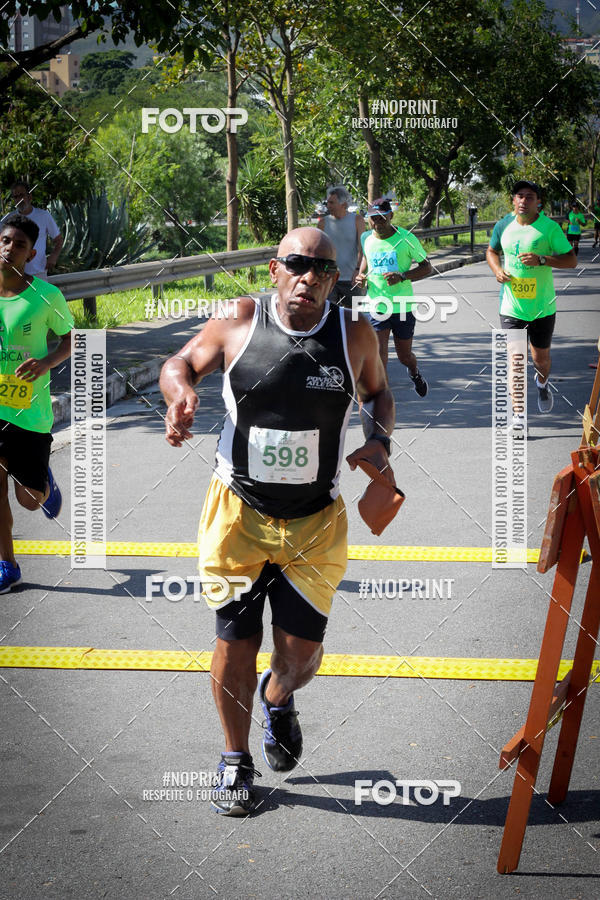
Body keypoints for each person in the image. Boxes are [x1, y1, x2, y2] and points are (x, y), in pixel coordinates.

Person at [160, 226, 395, 816]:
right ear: (274, 269)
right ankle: (236, 760)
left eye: (322, 269)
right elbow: (179, 362)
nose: (308, 277)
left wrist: (380, 442)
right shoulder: (238, 322)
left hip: (315, 523)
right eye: (296, 264)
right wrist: (178, 393)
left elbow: (380, 394)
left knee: (300, 659)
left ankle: (280, 697)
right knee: (234, 643)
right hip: (238, 512)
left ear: (334, 280)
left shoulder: (355, 335)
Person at [0, 214, 73, 593]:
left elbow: (70, 339)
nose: (9, 248)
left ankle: (44, 482)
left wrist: (45, 363)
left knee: (28, 500)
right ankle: (7, 565)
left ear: (30, 254)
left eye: (19, 244)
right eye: (5, 240)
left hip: (29, 412)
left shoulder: (46, 296)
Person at [486, 181, 576, 418]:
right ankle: (518, 416)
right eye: (519, 196)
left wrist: (543, 260)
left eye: (529, 197)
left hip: (542, 308)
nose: (523, 201)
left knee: (541, 360)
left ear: (538, 202)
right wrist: (497, 270)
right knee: (515, 361)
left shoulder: (549, 228)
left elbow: (571, 260)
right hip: (511, 307)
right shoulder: (504, 224)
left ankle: (542, 383)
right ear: (513, 200)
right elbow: (491, 251)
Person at [355, 197, 432, 396]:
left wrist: (403, 276)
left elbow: (427, 267)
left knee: (404, 356)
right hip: (376, 305)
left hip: (402, 306)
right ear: (368, 219)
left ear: (391, 215)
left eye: (382, 217)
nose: (378, 222)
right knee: (379, 357)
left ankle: (414, 373)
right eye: (373, 218)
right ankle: (383, 400)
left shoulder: (406, 239)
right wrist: (361, 275)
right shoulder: (366, 238)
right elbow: (365, 257)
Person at [2, 182, 63, 280]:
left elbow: (59, 240)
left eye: (21, 195)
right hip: (15, 275)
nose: (19, 199)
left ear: (29, 196)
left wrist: (53, 257)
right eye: (15, 197)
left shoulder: (43, 216)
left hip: (39, 274)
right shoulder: (8, 219)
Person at [316, 185, 365, 308]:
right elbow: (318, 251)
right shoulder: (322, 223)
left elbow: (362, 248)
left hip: (351, 279)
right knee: (329, 316)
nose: (328, 206)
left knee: (354, 317)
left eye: (332, 203)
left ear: (344, 204)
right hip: (330, 279)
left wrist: (358, 271)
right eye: (328, 203)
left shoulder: (357, 220)